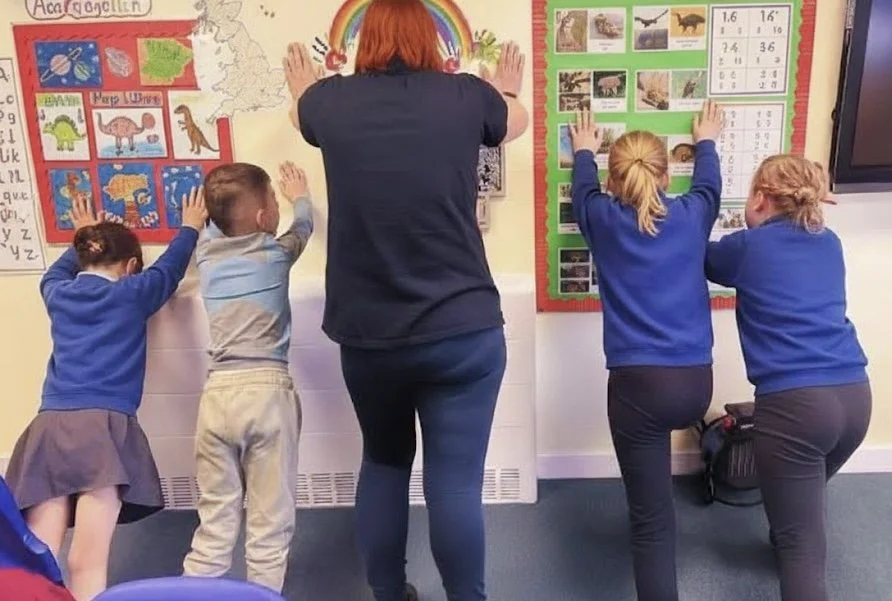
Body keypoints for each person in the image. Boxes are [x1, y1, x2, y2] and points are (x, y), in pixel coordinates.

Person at [281, 0, 529, 598]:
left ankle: (390, 595)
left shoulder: (330, 103)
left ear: (365, 42)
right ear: (430, 40)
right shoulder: (467, 96)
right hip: (463, 330)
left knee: (385, 464)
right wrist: (507, 91)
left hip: (371, 339)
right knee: (454, 484)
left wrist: (303, 88)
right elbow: (515, 121)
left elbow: (299, 113)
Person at [4, 190, 207, 601]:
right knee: (88, 560)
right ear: (132, 266)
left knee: (41, 554)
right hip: (102, 431)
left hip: (51, 429)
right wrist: (190, 226)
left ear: (82, 260)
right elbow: (170, 270)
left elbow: (56, 273)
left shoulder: (57, 294)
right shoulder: (131, 293)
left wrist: (79, 236)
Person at [568, 103, 724, 601]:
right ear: (664, 173)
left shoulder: (599, 215)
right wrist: (705, 141)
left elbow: (583, 189)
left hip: (637, 387)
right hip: (694, 385)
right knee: (657, 510)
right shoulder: (693, 213)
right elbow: (708, 186)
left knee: (651, 522)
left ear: (616, 179)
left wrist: (585, 150)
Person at [706, 155, 870, 601]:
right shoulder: (829, 240)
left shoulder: (747, 247)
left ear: (759, 198)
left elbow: (699, 255)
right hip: (855, 399)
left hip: (797, 409)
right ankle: (788, 534)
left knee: (802, 548)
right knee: (800, 507)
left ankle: (792, 542)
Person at [182, 161, 313, 593]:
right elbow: (304, 228)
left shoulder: (206, 254)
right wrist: (301, 198)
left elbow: (218, 227)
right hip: (266, 393)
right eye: (273, 203)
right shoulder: (277, 253)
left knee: (215, 524)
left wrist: (200, 219)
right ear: (263, 219)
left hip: (216, 396)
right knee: (269, 525)